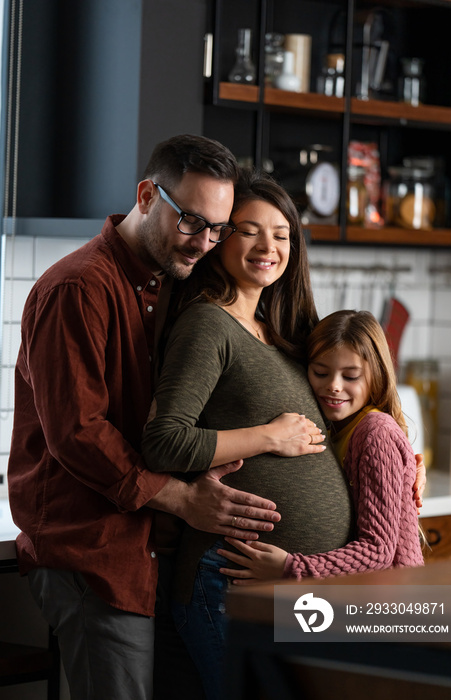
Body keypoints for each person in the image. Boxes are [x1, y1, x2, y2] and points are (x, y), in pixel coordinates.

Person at [7, 135, 288, 700]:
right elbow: (78, 434)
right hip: (93, 554)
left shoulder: (169, 284)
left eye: (218, 228)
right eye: (190, 220)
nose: (204, 241)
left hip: (148, 554)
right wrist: (183, 499)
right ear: (144, 195)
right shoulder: (77, 287)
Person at [142, 171, 426, 700]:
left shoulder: (286, 333)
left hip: (301, 592)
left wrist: (404, 463)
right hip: (230, 575)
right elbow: (163, 440)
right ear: (222, 237)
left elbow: (348, 415)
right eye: (249, 230)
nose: (268, 246)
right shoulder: (210, 324)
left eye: (281, 233)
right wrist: (267, 437)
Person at [218, 309, 425, 584]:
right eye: (320, 372)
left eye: (350, 376)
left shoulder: (375, 432)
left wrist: (291, 568)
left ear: (377, 375)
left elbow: (378, 551)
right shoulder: (335, 427)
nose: (334, 386)